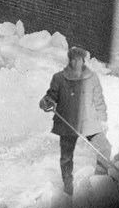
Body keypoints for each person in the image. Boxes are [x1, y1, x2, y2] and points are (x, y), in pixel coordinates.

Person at [39, 46, 111, 196]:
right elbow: (51, 97)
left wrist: (103, 119)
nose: (77, 63)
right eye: (74, 60)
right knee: (66, 158)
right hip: (67, 122)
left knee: (104, 148)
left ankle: (98, 184)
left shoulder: (92, 78)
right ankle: (68, 188)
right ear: (70, 60)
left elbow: (99, 101)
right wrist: (46, 102)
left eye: (79, 60)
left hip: (88, 122)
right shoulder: (59, 78)